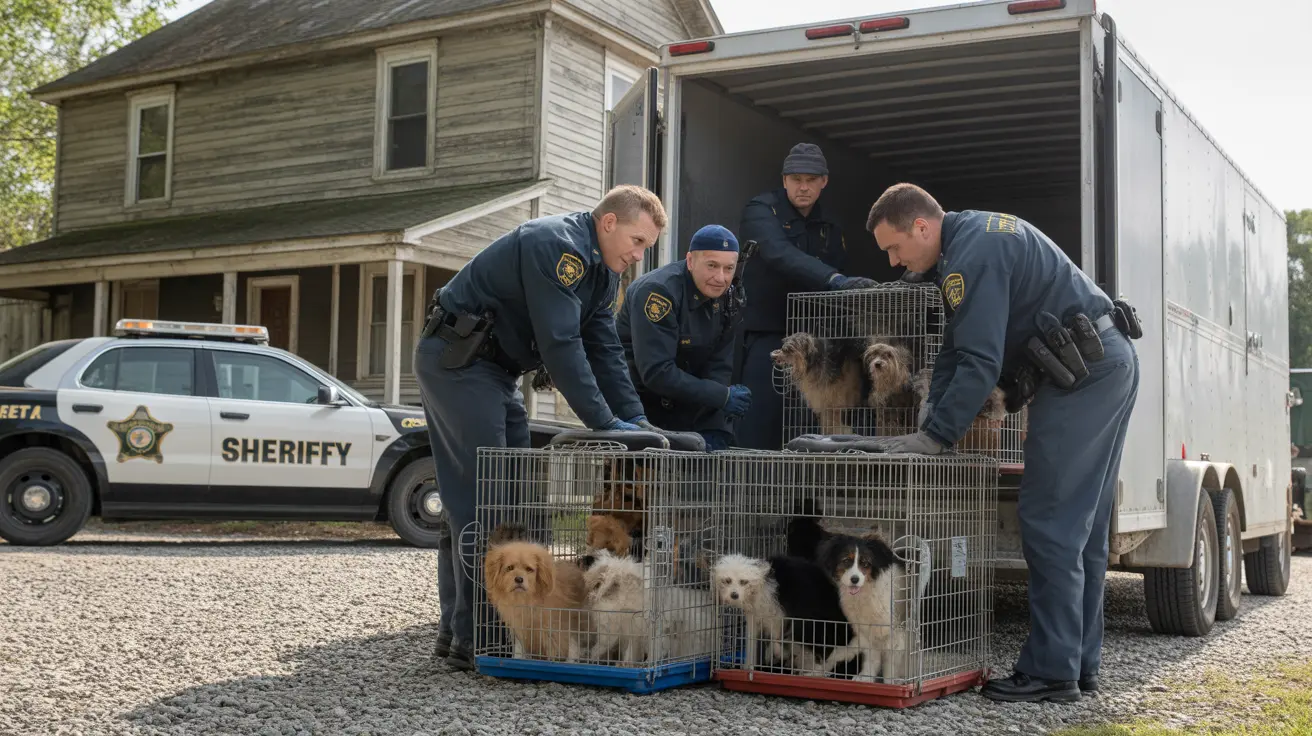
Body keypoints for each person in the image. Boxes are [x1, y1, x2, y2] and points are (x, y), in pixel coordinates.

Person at [863, 183, 1140, 703]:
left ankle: (1051, 672)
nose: (896, 262)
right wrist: (927, 419)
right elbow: (955, 349)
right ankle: (1079, 666)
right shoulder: (970, 241)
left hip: (1082, 376)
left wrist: (935, 437)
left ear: (921, 226)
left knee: (1050, 522)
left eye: (895, 247)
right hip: (1104, 361)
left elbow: (980, 360)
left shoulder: (974, 253)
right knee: (1084, 530)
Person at [413, 185, 666, 671]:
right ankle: (477, 639)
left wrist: (636, 423)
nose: (638, 256)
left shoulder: (602, 275)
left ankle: (460, 632)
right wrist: (605, 423)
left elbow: (605, 351)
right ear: (608, 223)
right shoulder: (560, 248)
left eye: (645, 248)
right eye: (636, 242)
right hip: (459, 362)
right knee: (481, 499)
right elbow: (561, 343)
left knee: (510, 501)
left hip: (496, 371)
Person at [735, 142, 877, 450]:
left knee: (808, 425)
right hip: (766, 336)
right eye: (796, 179)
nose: (803, 187)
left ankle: (802, 498)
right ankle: (749, 496)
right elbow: (779, 253)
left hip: (814, 343)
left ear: (823, 181)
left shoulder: (830, 226)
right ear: (784, 179)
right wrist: (835, 279)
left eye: (811, 179)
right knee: (761, 419)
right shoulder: (761, 210)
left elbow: (840, 292)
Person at [616, 224, 752, 451]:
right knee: (638, 485)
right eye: (712, 265)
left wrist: (714, 421)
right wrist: (721, 397)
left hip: (687, 405)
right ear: (690, 261)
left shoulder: (728, 299)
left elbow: (719, 365)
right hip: (638, 409)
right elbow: (657, 372)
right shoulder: (658, 292)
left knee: (710, 469)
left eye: (729, 268)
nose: (721, 278)